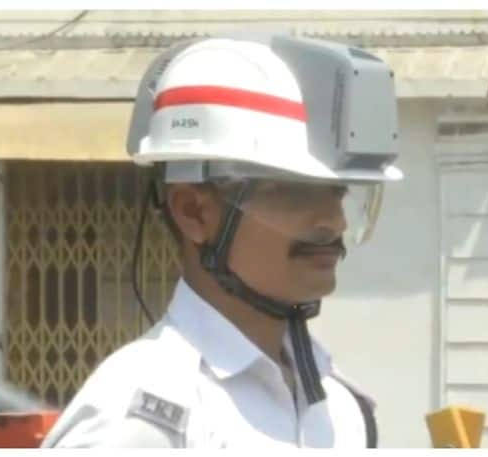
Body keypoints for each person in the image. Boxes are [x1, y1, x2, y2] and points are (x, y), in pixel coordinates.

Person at [41, 32, 402, 448]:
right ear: (194, 212)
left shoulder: (340, 406)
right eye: (295, 193)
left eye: (339, 194)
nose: (333, 222)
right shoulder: (143, 419)